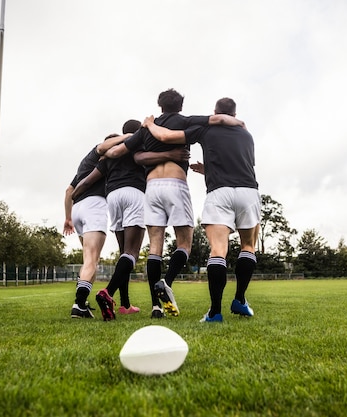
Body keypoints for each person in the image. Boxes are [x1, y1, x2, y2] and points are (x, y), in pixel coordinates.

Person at [104, 89, 243, 319]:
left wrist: (106, 150)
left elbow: (118, 151)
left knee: (155, 246)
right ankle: (166, 283)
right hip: (175, 184)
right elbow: (218, 119)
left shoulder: (146, 128)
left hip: (151, 188)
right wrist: (239, 122)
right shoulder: (184, 120)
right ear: (180, 105)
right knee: (185, 244)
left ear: (160, 105)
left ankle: (156, 307)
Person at [143, 97, 260, 323]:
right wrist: (209, 170)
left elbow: (165, 136)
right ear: (234, 116)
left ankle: (215, 312)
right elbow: (239, 165)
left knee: (218, 250)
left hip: (219, 193)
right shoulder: (247, 135)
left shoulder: (207, 130)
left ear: (216, 113)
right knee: (248, 246)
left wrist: (149, 124)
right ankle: (240, 300)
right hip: (248, 192)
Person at [63, 131, 133, 319]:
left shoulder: (85, 163)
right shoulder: (101, 154)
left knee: (90, 259)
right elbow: (102, 147)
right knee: (91, 260)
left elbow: (69, 190)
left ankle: (82, 302)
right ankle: (78, 305)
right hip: (94, 206)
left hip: (77, 208)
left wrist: (68, 218)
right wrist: (128, 136)